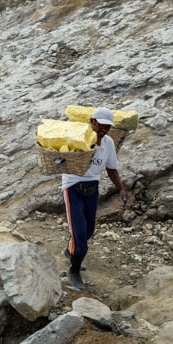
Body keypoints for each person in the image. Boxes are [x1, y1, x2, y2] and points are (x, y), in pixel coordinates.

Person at [61, 106, 129, 290]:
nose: (105, 129)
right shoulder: (79, 137)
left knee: (89, 231)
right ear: (93, 122)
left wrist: (121, 189)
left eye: (108, 126)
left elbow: (111, 168)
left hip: (92, 188)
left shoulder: (108, 143)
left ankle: (70, 250)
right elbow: (62, 156)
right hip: (73, 187)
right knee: (80, 236)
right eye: (102, 125)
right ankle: (74, 271)